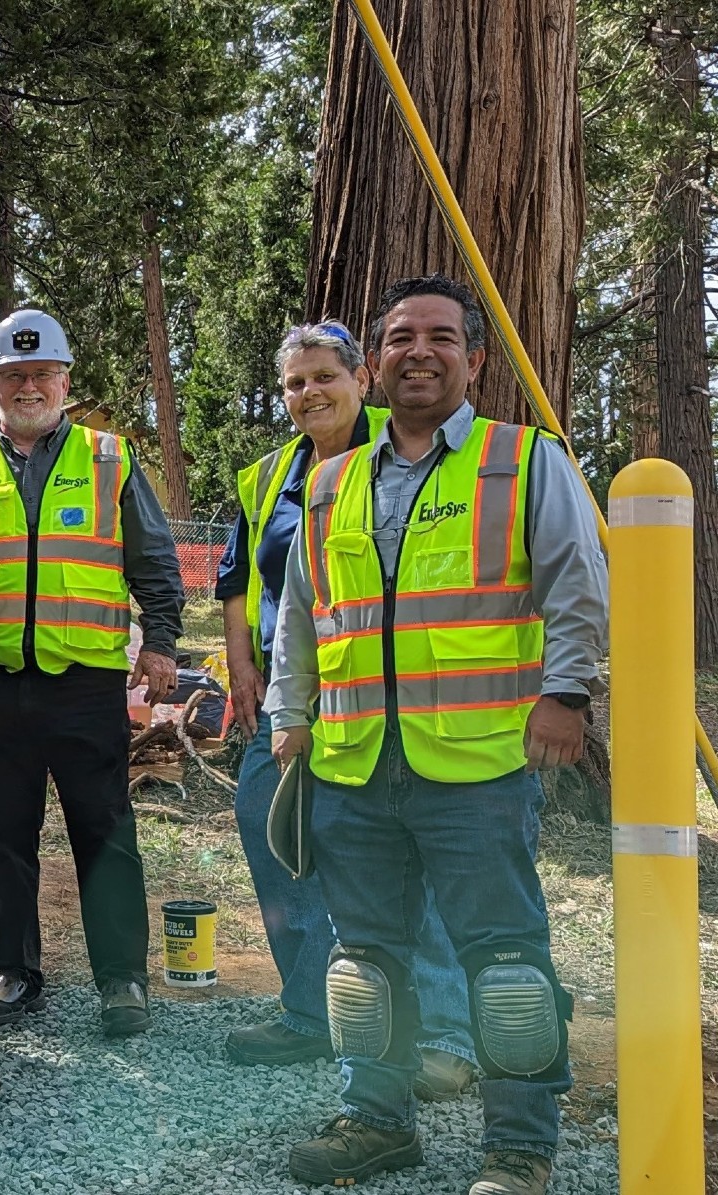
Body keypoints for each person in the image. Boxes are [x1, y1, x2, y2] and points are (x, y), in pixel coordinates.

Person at [268, 276, 605, 1195]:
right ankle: (377, 1122)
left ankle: (520, 1148)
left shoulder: (525, 461)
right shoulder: (330, 479)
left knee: (505, 966)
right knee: (363, 963)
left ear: (474, 358)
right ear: (375, 361)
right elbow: (304, 614)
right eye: (401, 337)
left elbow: (578, 587)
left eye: (441, 336)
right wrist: (288, 715)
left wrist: (567, 695)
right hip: (353, 765)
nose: (420, 350)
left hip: (480, 768)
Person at [217, 321, 478, 1101]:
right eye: (295, 383)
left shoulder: (399, 457)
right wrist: (241, 668)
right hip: (293, 700)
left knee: (404, 861)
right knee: (277, 835)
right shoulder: (269, 477)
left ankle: (443, 1033)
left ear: (362, 378)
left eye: (324, 376)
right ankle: (309, 1009)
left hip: (386, 701)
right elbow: (241, 578)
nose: (309, 394)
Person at [0, 308, 184, 1037]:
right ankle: (16, 971)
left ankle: (122, 980)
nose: (29, 387)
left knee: (105, 830)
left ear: (65, 382)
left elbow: (153, 556)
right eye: (14, 375)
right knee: (4, 834)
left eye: (42, 374)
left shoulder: (109, 458)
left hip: (85, 682)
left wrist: (163, 639)